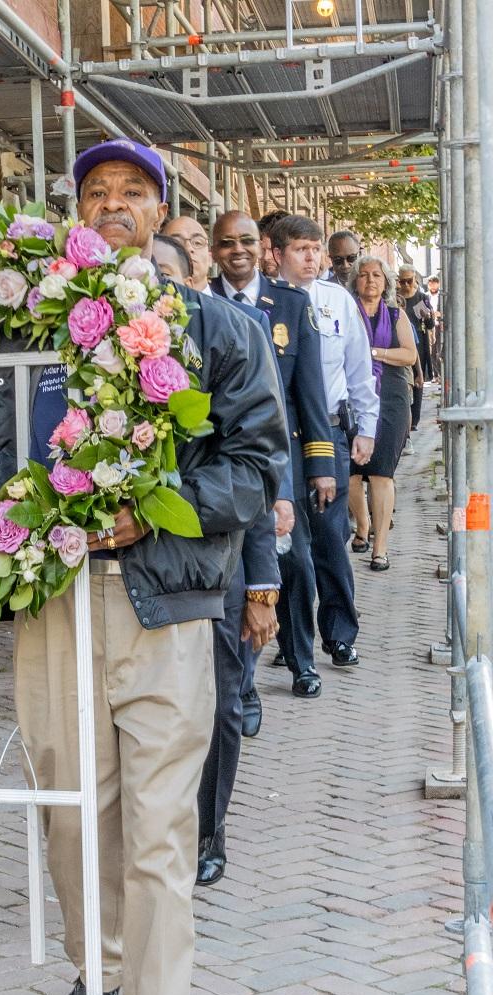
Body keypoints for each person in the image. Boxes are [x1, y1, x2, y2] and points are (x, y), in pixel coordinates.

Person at [0, 140, 288, 995]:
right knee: (69, 812)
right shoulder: (26, 334)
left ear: (158, 209)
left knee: (154, 827)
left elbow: (253, 465)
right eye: (94, 192)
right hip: (49, 604)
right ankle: (95, 969)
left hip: (162, 605)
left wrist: (155, 510)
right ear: (72, 212)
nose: (111, 205)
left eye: (130, 193)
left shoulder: (214, 328)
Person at [166, 214, 291, 888]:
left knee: (217, 703)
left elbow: (262, 474)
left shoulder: (232, 333)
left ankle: (208, 829)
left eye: (187, 250)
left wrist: (265, 583)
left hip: (226, 556)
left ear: (194, 272)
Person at [211, 210, 337, 700]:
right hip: (219, 460)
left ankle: (302, 661)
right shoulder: (197, 303)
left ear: (262, 248)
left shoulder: (288, 303)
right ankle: (242, 687)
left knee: (295, 562)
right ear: (216, 251)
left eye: (246, 241)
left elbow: (310, 393)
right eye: (226, 243)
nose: (236, 251)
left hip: (277, 460)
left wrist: (322, 465)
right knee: (235, 572)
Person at [271, 215, 378, 679]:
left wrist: (366, 427)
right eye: (301, 249)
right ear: (276, 254)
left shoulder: (337, 302)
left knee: (330, 538)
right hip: (279, 435)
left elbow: (359, 370)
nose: (312, 257)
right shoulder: (264, 301)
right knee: (288, 545)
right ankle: (293, 644)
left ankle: (339, 635)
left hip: (329, 433)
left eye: (316, 249)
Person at [347, 256, 417, 570]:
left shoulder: (395, 313)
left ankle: (380, 548)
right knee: (350, 472)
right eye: (363, 275)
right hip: (352, 395)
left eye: (376, 275)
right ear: (355, 281)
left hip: (390, 397)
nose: (370, 280)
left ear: (385, 282)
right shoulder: (347, 312)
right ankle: (362, 526)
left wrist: (374, 352)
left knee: (381, 472)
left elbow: (409, 354)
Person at [397, 267, 433, 431]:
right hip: (399, 343)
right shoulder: (396, 297)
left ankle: (414, 421)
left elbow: (430, 325)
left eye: (408, 281)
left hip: (418, 343)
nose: (405, 284)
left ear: (414, 279)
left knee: (418, 381)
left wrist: (428, 317)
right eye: (402, 281)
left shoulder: (421, 297)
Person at [258, 210, 290, 279]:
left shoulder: (312, 288)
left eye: (272, 250)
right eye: (262, 250)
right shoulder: (254, 286)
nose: (266, 257)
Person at [427, 274, 442, 379]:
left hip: (439, 325)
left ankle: (440, 374)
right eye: (430, 284)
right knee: (431, 350)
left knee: (438, 350)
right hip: (429, 325)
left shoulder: (441, 295)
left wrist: (439, 314)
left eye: (434, 283)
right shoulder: (425, 296)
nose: (432, 286)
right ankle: (435, 375)